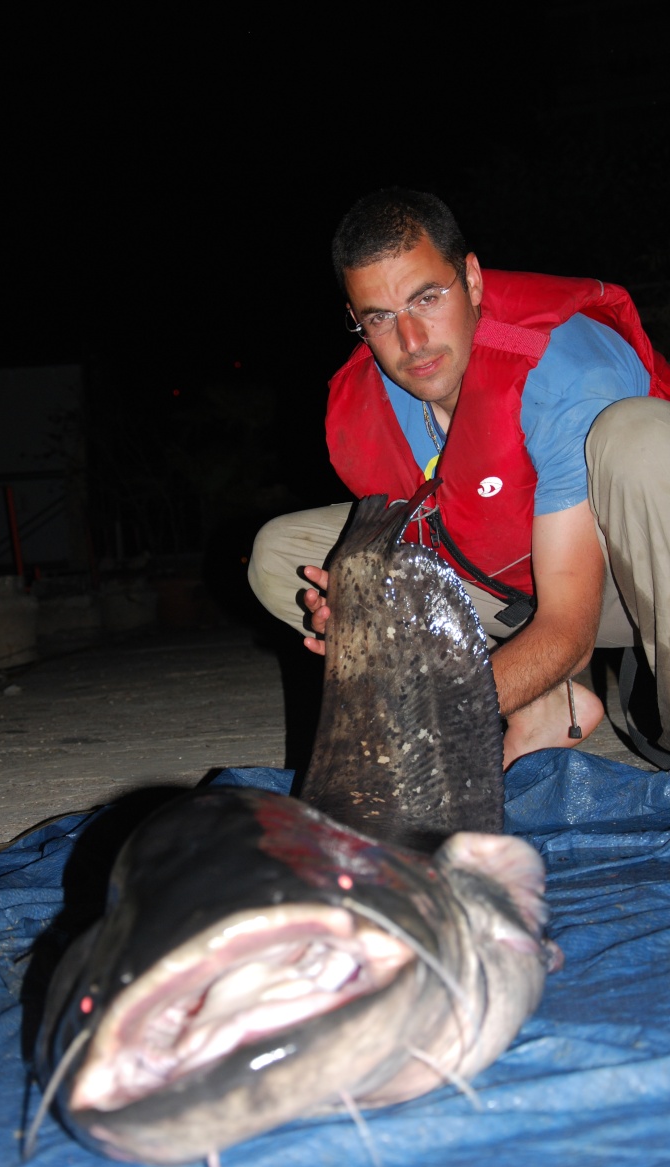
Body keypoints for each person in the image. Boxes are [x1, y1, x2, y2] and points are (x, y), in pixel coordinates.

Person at [248, 187, 670, 770]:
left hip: (630, 587)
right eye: (380, 316)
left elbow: (568, 627)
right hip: (510, 581)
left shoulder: (565, 370)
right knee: (281, 556)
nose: (411, 341)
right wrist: (364, 598)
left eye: (426, 298)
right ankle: (546, 703)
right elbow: (420, 536)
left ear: (471, 280)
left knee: (641, 436)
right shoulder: (372, 395)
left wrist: (425, 715)